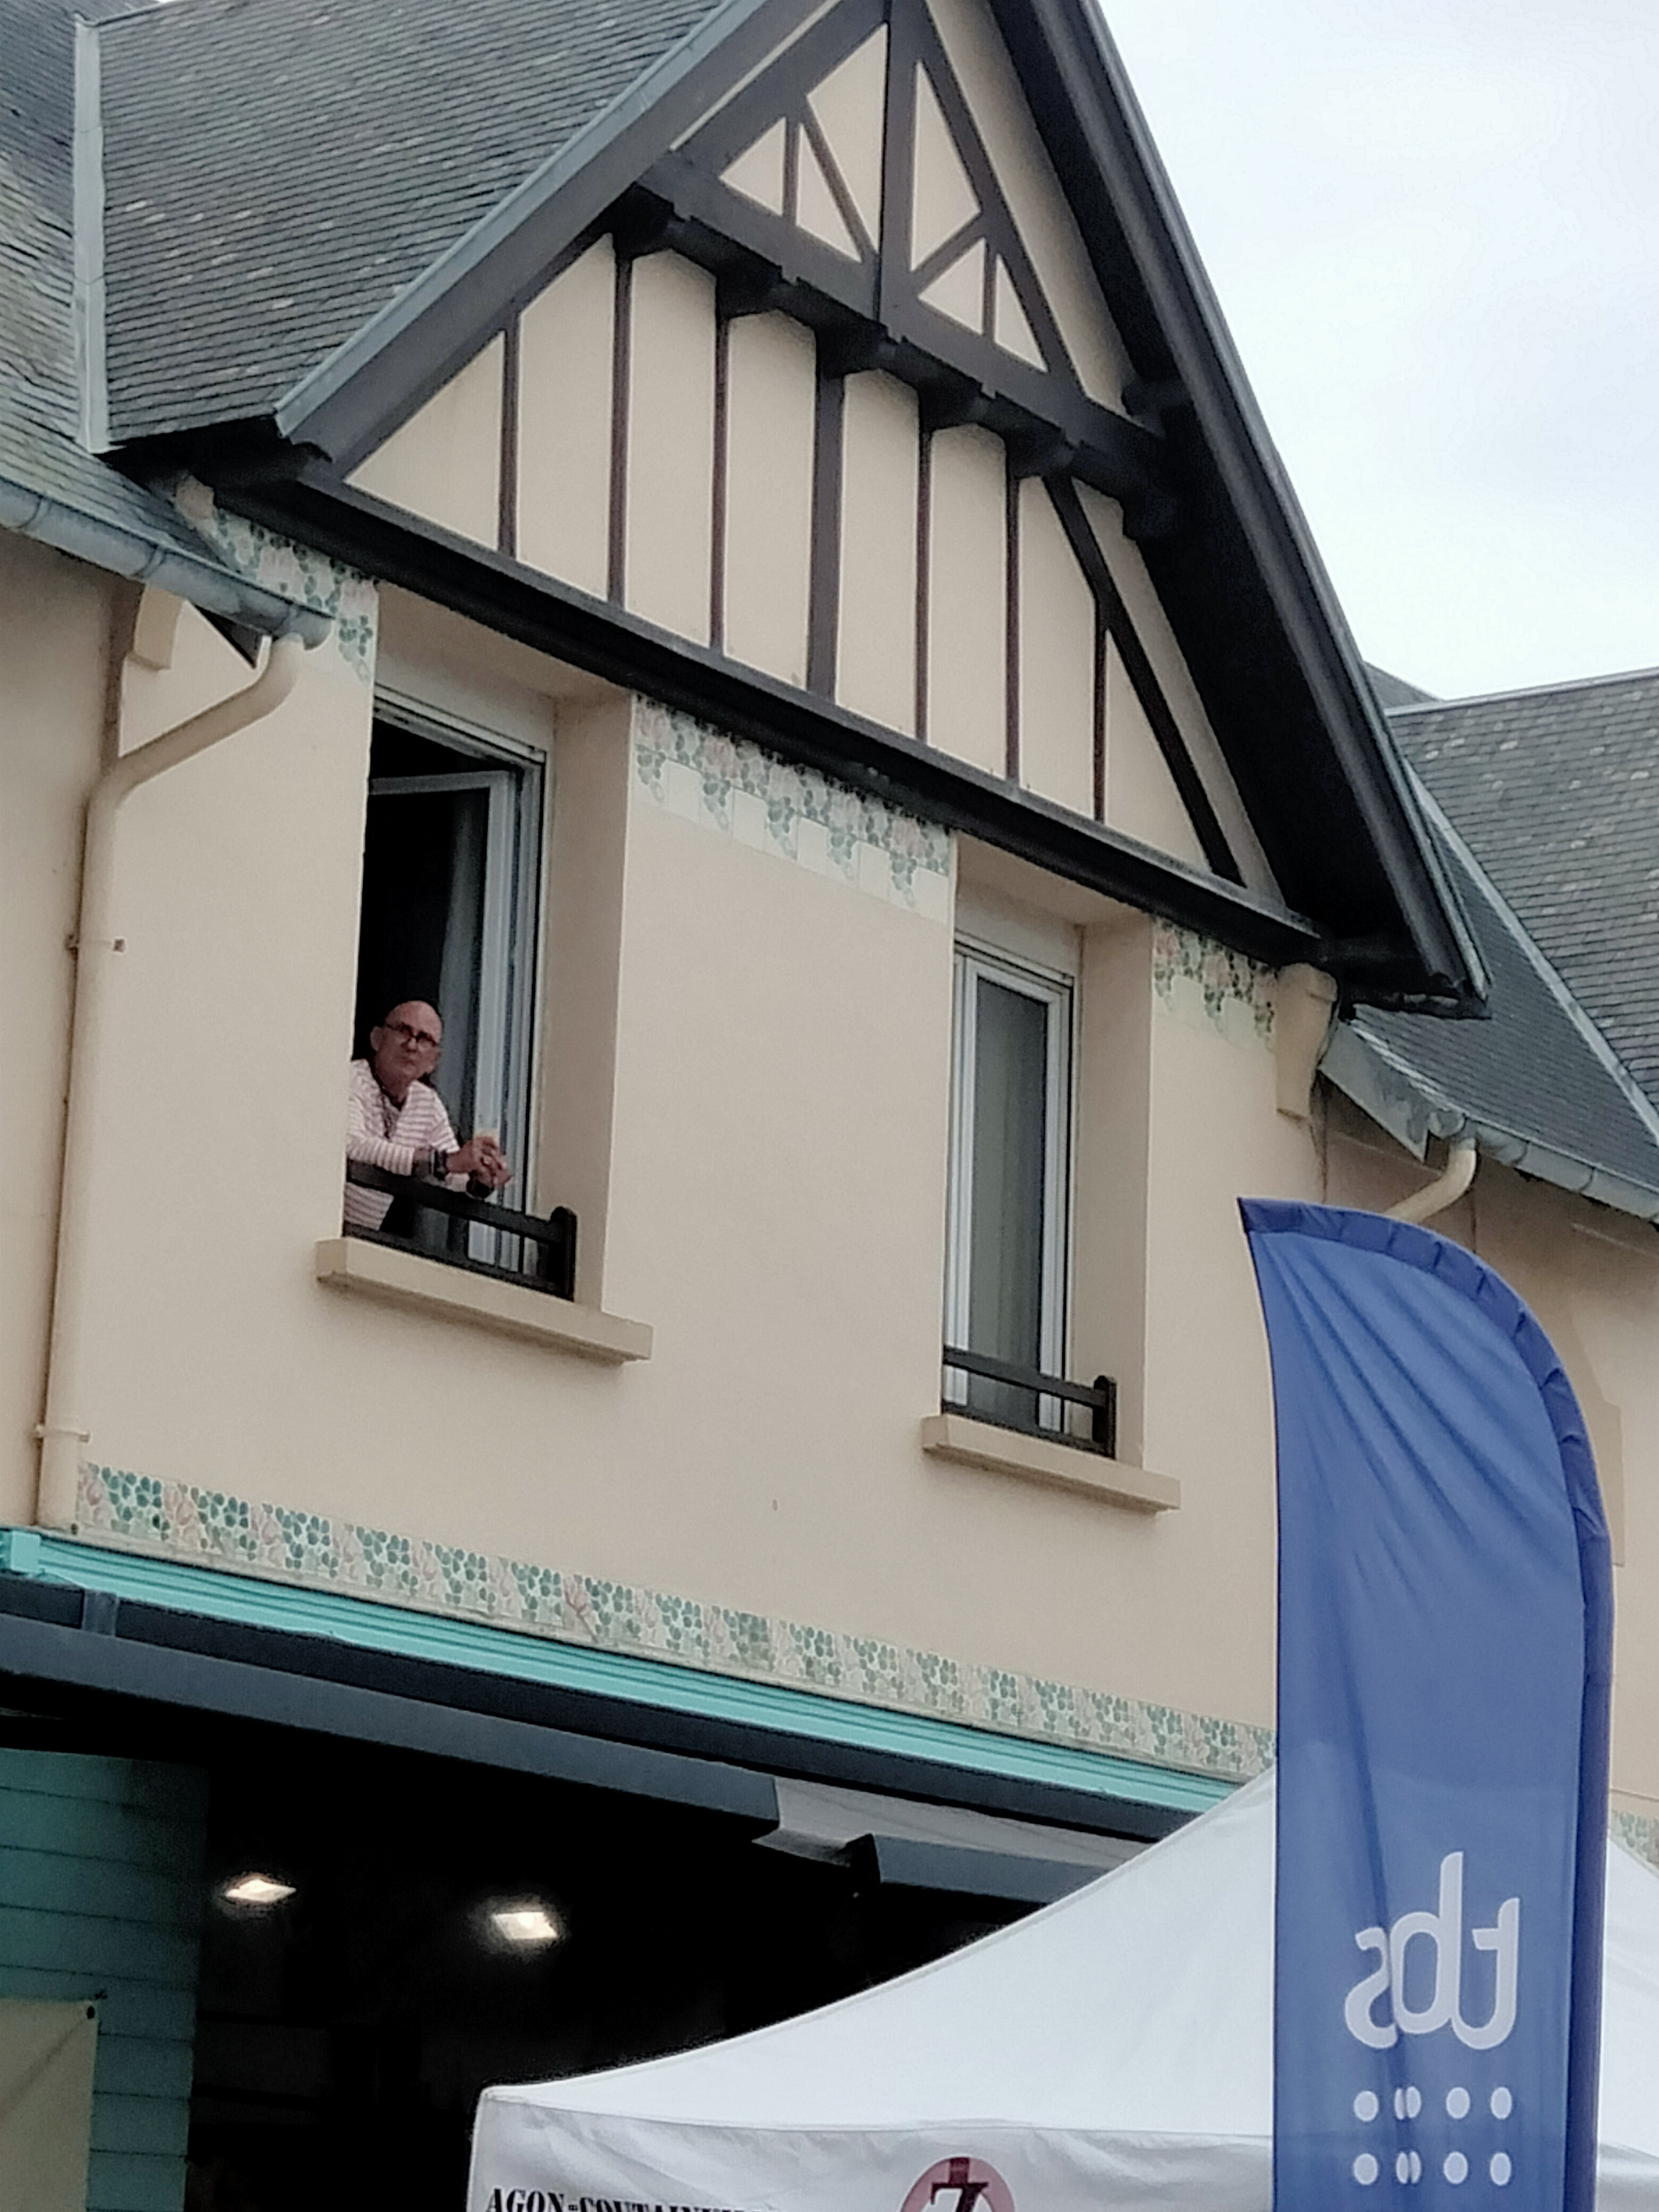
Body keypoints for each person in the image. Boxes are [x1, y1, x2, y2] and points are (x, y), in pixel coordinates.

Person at [343, 1001, 511, 1231]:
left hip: (358, 1235)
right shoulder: (351, 1077)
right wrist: (444, 1162)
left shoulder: (427, 1103)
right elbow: (353, 1145)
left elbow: (454, 1177)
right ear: (377, 1039)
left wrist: (482, 1175)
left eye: (424, 1039)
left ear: (433, 1061)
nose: (411, 1045)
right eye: (403, 1031)